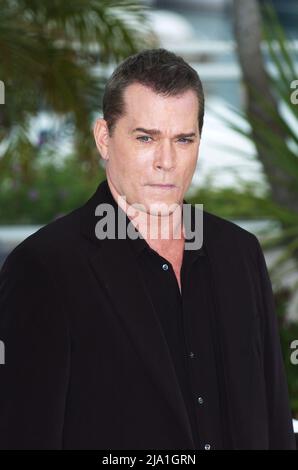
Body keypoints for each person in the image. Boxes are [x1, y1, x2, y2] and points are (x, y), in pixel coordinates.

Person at [0, 48, 296, 450]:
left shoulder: (239, 253)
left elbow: (275, 420)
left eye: (183, 139)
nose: (166, 161)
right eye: (146, 138)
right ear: (104, 138)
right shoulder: (44, 268)